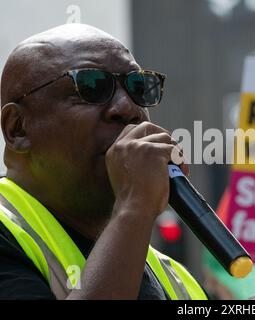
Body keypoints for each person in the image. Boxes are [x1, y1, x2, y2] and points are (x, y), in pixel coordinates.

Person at [0, 23, 206, 300]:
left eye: (138, 86)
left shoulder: (177, 280)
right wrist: (135, 207)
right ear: (18, 128)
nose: (128, 108)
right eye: (91, 86)